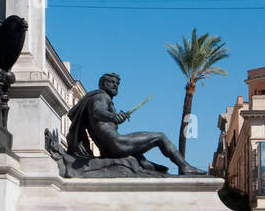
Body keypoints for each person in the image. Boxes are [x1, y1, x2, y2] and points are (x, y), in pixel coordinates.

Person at [66, 73, 205, 175]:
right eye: (111, 82)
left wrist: (114, 116)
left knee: (144, 161)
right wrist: (113, 116)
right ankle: (184, 166)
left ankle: (148, 167)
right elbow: (98, 112)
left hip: (109, 148)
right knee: (160, 137)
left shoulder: (102, 98)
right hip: (117, 144)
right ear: (103, 84)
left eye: (117, 83)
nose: (115, 85)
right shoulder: (101, 97)